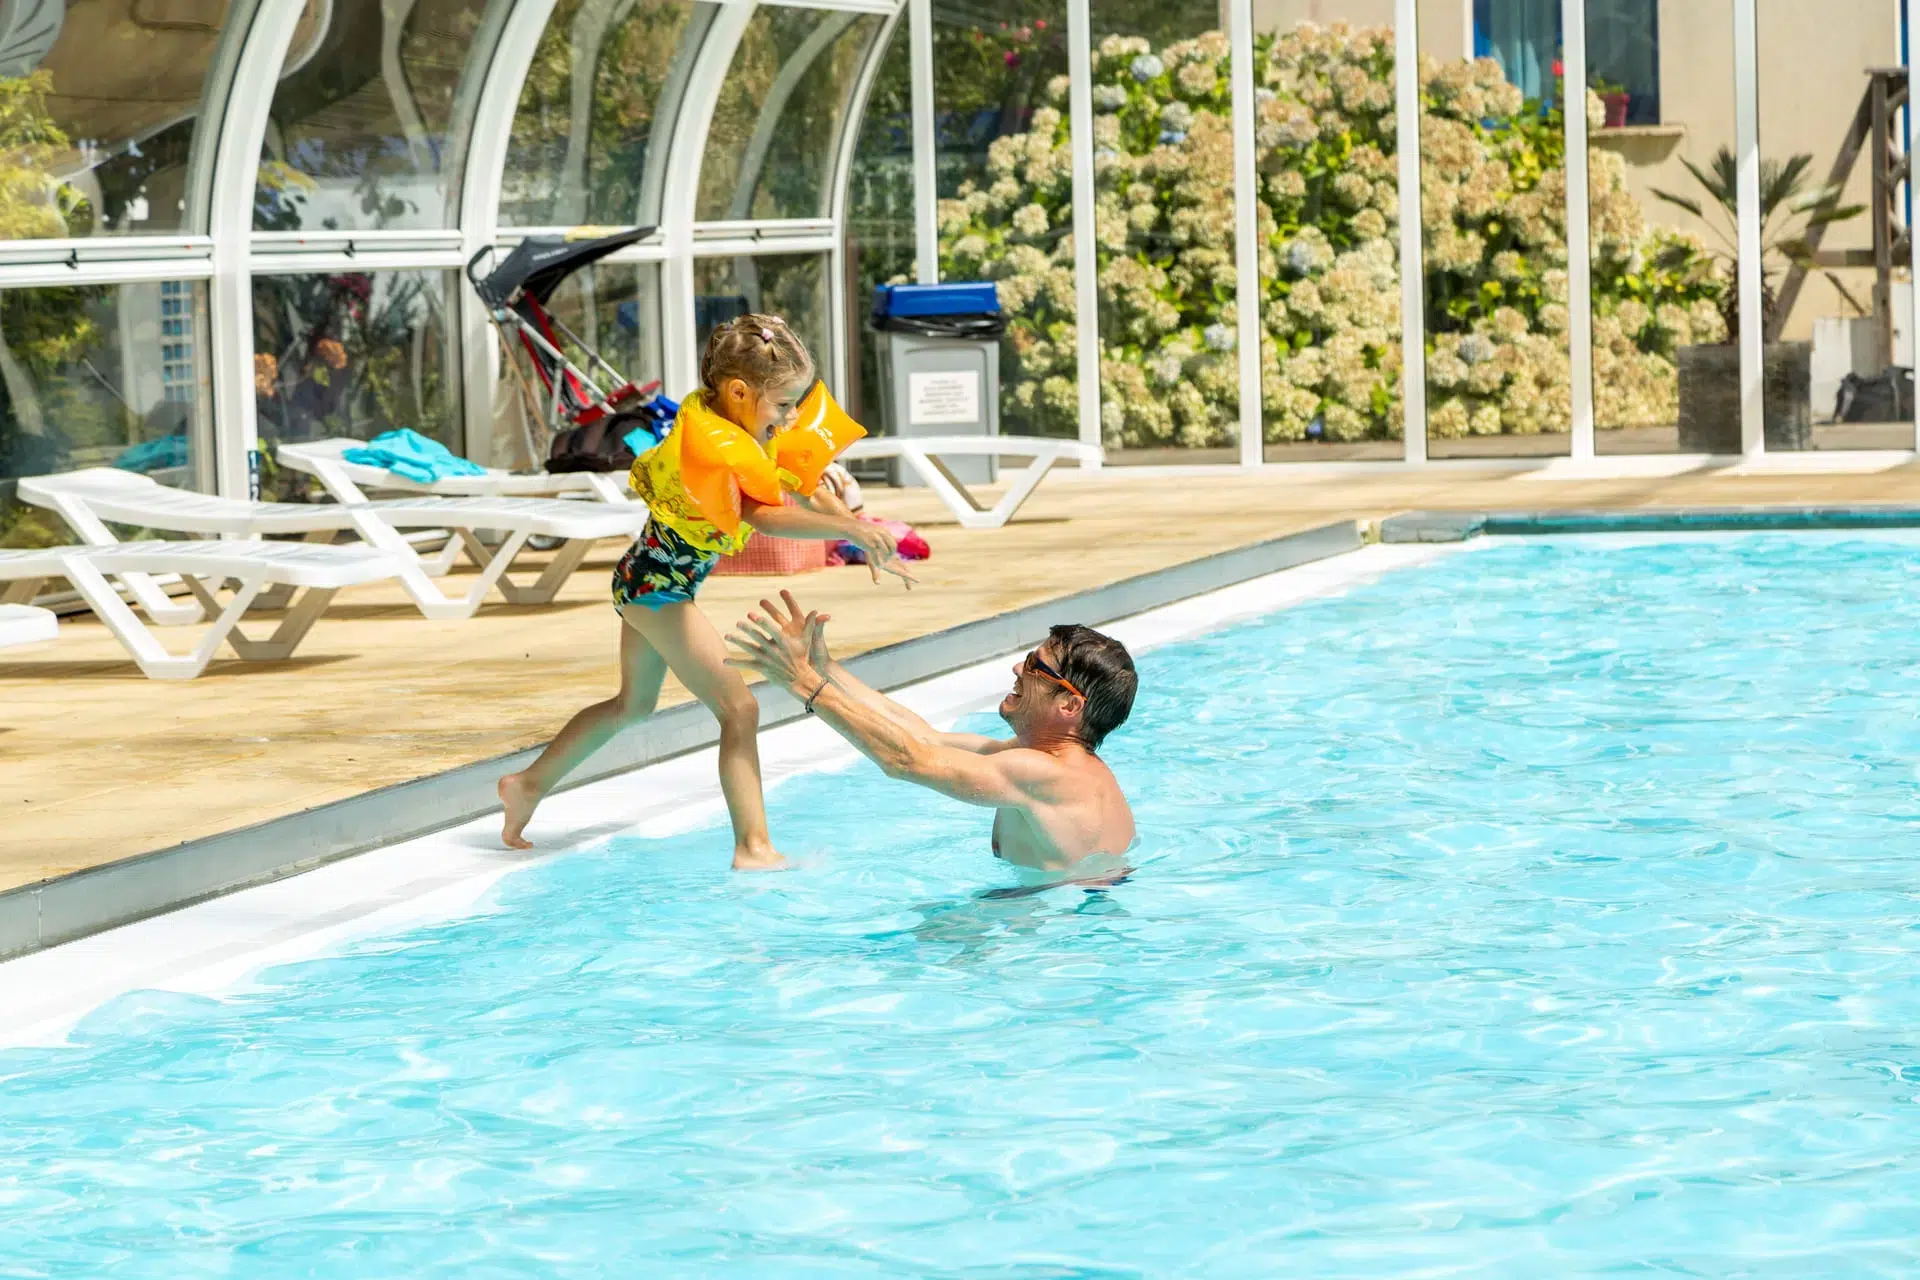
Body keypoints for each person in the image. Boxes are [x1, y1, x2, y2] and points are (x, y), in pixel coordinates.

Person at [498, 316, 913, 867]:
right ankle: (753, 846)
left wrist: (856, 522)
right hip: (657, 587)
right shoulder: (713, 444)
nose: (790, 417)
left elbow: (802, 483)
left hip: (650, 579)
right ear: (739, 393)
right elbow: (761, 516)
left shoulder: (741, 423)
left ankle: (526, 785)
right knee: (738, 710)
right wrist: (851, 531)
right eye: (784, 404)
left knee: (632, 706)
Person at [726, 592, 1138, 878]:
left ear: (1069, 706)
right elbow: (922, 738)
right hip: (1067, 920)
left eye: (1035, 665)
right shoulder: (1057, 767)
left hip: (1051, 945)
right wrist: (822, 668)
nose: (1018, 669)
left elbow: (906, 760)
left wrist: (801, 685)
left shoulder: (1042, 775)